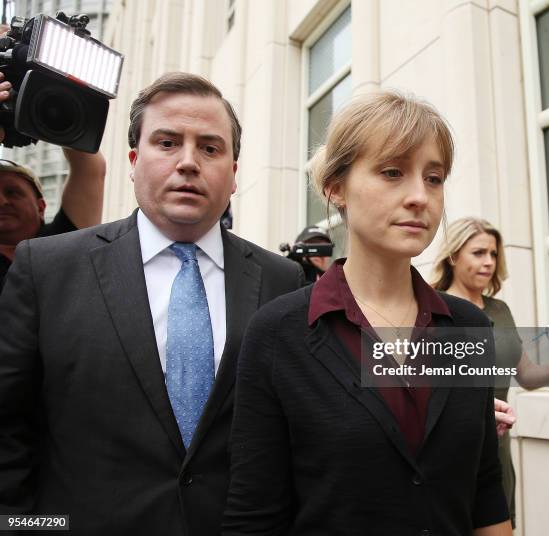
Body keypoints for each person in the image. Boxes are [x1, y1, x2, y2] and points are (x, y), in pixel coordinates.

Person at [0, 72, 303, 535]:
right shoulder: (47, 268)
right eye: (167, 143)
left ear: (234, 174)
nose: (188, 162)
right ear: (134, 160)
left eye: (210, 147)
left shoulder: (283, 281)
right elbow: (8, 429)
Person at [223, 92, 512, 535]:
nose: (420, 196)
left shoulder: (467, 326)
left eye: (433, 178)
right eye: (392, 172)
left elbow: (483, 489)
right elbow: (254, 516)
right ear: (335, 187)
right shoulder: (279, 333)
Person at [430, 216, 549, 528]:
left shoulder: (500, 310)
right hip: (447, 451)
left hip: (496, 450)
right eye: (478, 253)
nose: (489, 262)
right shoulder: (432, 307)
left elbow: (526, 375)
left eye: (493, 254)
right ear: (453, 256)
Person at [0, 74, 106, 292]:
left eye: (13, 192)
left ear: (41, 206)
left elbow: (90, 170)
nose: (2, 201)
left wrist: (57, 105)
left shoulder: (64, 243)